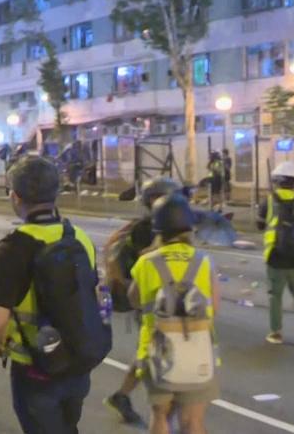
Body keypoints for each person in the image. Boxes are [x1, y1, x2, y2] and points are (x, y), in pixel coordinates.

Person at [0, 156, 100, 434]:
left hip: (36, 368)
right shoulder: (79, 237)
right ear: (56, 193)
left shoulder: (14, 246)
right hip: (79, 362)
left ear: (16, 196)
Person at [129, 193, 220, 434]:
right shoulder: (203, 261)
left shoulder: (146, 262)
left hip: (157, 351)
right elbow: (216, 308)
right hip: (199, 350)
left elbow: (133, 299)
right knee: (194, 421)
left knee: (160, 416)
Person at [103, 177, 183, 424]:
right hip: (153, 303)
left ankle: (123, 396)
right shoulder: (145, 229)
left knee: (150, 354)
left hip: (165, 302)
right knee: (161, 358)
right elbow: (146, 262)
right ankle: (165, 414)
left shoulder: (156, 226)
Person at [257, 161, 294, 346]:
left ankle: (276, 333)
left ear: (277, 180)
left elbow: (260, 225)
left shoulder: (268, 200)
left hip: (276, 255)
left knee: (275, 296)